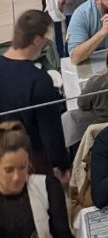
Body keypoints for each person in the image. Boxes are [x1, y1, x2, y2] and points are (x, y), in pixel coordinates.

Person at [0, 11, 69, 177]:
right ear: (37, 41)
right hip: (30, 160)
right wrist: (63, 165)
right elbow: (50, 134)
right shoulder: (39, 81)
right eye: (46, 40)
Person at [0, 121, 72, 238]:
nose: (17, 177)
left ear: (29, 162)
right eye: (8, 170)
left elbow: (64, 234)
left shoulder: (48, 187)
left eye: (23, 167)